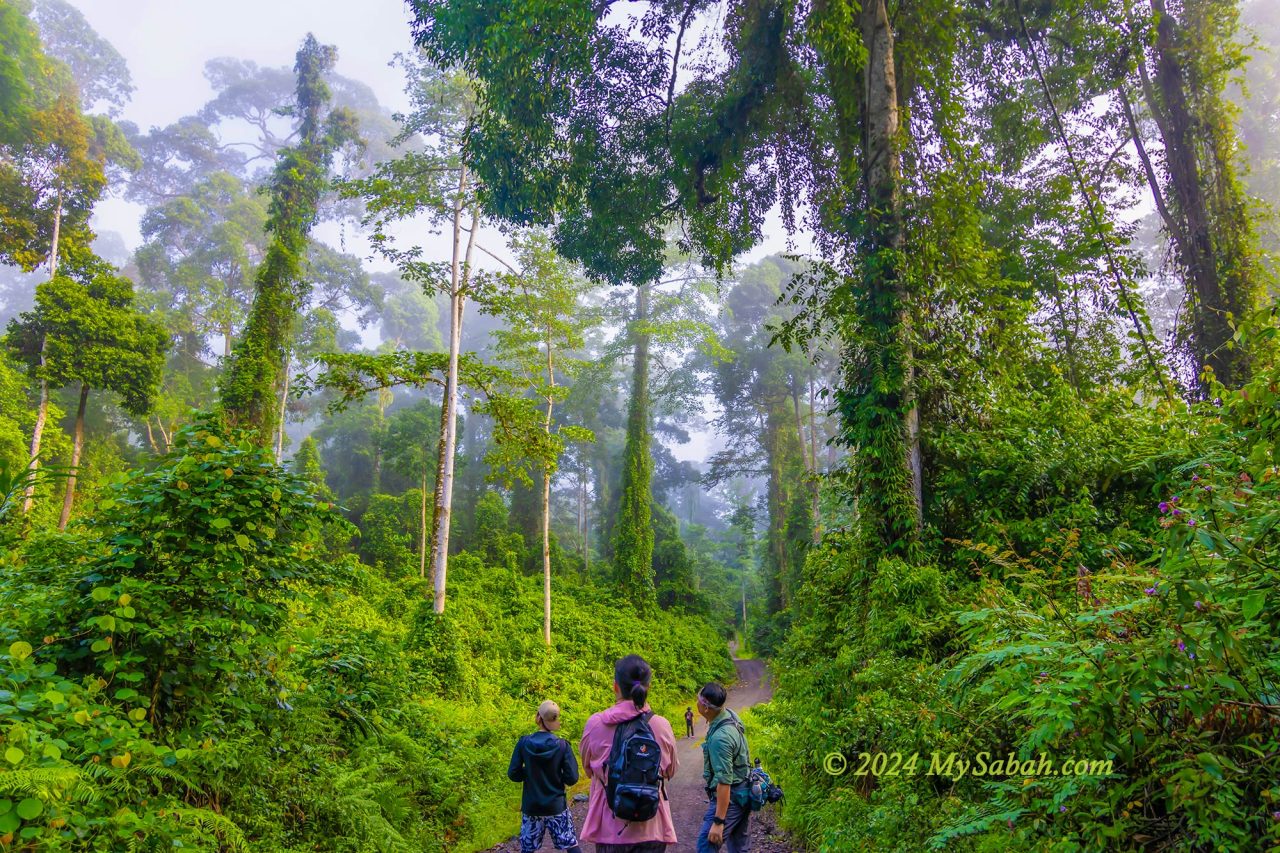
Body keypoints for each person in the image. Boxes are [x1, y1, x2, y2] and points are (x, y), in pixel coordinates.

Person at [579, 654, 679, 852]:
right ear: (647, 687)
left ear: (615, 686)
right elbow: (670, 771)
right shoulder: (661, 725)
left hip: (610, 830)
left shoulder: (595, 724)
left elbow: (589, 770)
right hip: (652, 826)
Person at [508, 700, 584, 853]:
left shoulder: (524, 743)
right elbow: (572, 778)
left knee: (528, 848)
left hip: (532, 806)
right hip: (556, 806)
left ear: (538, 717)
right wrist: (557, 777)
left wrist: (529, 774)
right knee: (570, 844)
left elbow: (513, 773)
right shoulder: (562, 745)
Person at [695, 682, 751, 853]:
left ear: (706, 708)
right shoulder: (730, 716)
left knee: (706, 846)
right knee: (739, 848)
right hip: (744, 790)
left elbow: (724, 781)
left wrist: (718, 822)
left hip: (732, 796)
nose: (696, 701)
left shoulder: (720, 738)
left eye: (698, 699)